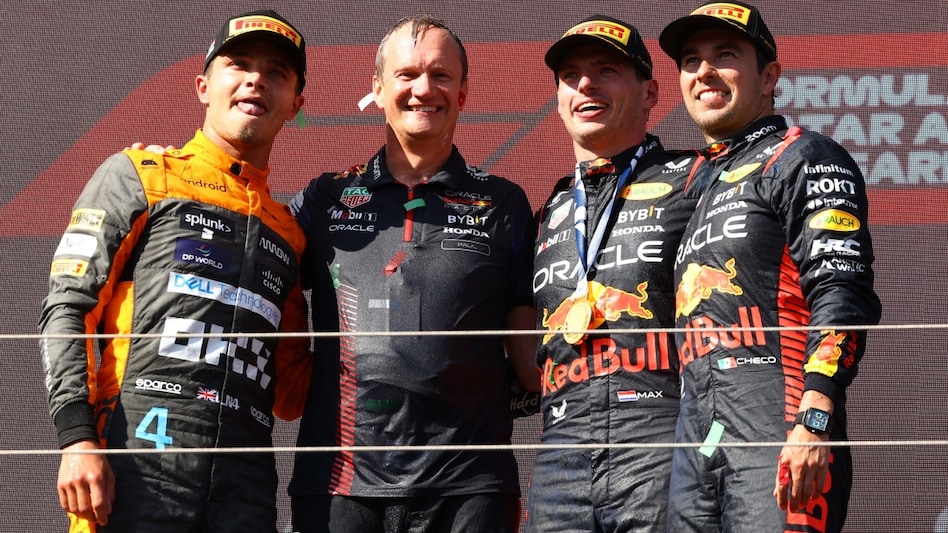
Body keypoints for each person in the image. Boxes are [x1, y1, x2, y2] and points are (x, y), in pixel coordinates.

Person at [38, 10, 312, 532]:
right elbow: (66, 308)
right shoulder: (141, 173)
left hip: (246, 489)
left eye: (277, 72)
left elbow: (291, 394)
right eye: (239, 65)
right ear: (203, 86)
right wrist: (76, 440)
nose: (257, 79)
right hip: (132, 465)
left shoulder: (290, 233)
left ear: (296, 105)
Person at [287, 14, 538, 533]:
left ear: (463, 92)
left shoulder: (504, 202)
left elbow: (531, 353)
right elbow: (248, 247)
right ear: (377, 90)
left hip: (471, 485)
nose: (424, 89)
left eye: (441, 75)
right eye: (406, 75)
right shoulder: (324, 198)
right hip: (340, 482)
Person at [657, 2, 881, 532]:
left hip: (779, 419)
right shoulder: (696, 183)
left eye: (725, 55)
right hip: (699, 433)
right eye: (691, 60)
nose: (704, 71)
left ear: (770, 76)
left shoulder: (802, 154)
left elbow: (842, 290)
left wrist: (815, 417)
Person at [526, 15, 702, 532]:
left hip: (659, 443)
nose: (585, 84)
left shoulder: (694, 178)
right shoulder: (552, 207)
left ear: (650, 94)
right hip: (560, 454)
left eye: (606, 70)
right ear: (559, 98)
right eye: (572, 74)